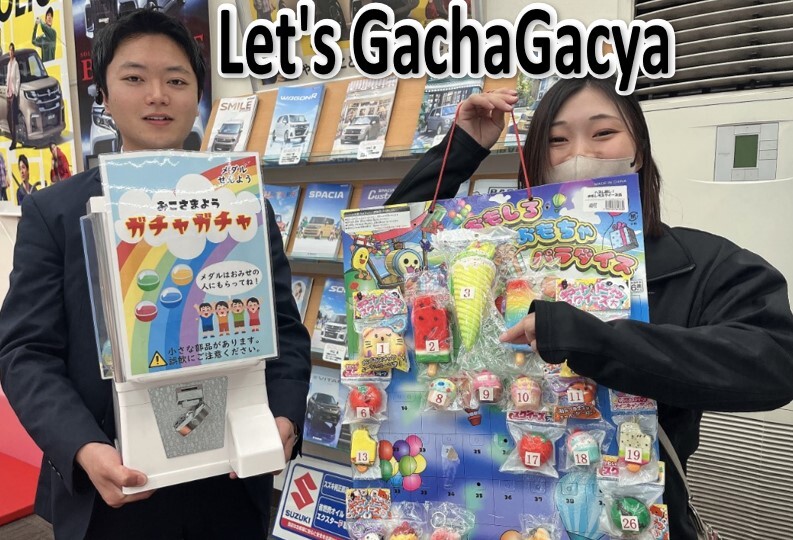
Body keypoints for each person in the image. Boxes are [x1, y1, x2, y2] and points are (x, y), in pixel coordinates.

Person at [388, 77, 793, 539]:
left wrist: (590, 340)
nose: (580, 154)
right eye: (557, 140)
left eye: (603, 133)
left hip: (633, 516)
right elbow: (387, 253)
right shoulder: (500, 253)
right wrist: (461, 148)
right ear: (535, 157)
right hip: (489, 507)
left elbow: (774, 363)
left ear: (638, 149)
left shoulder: (699, 262)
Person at [0, 9, 311, 540]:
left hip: (230, 484)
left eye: (176, 81)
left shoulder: (241, 205)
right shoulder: (55, 212)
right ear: (103, 95)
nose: (158, 96)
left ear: (198, 94)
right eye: (134, 78)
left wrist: (284, 416)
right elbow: (25, 351)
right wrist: (83, 447)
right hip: (112, 489)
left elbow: (284, 330)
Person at [5, 43, 20, 149]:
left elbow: (18, 79)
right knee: (8, 118)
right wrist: (7, 89)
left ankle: (14, 142)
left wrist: (16, 92)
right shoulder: (8, 64)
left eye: (12, 50)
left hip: (13, 94)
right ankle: (13, 138)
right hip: (8, 94)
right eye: (9, 50)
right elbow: (8, 78)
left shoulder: (15, 64)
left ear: (14, 52)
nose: (10, 52)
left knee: (13, 119)